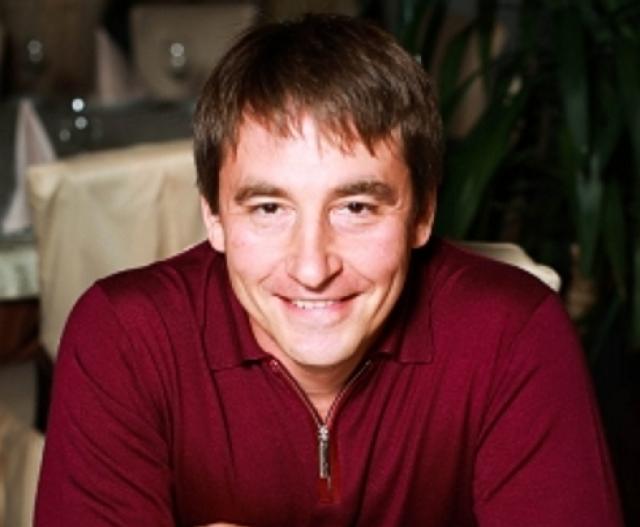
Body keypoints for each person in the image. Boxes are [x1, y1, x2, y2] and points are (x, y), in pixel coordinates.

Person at [34, 13, 623, 527]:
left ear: (422, 214)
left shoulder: (513, 333)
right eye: (269, 208)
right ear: (214, 216)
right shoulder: (125, 339)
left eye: (356, 207)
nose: (312, 267)